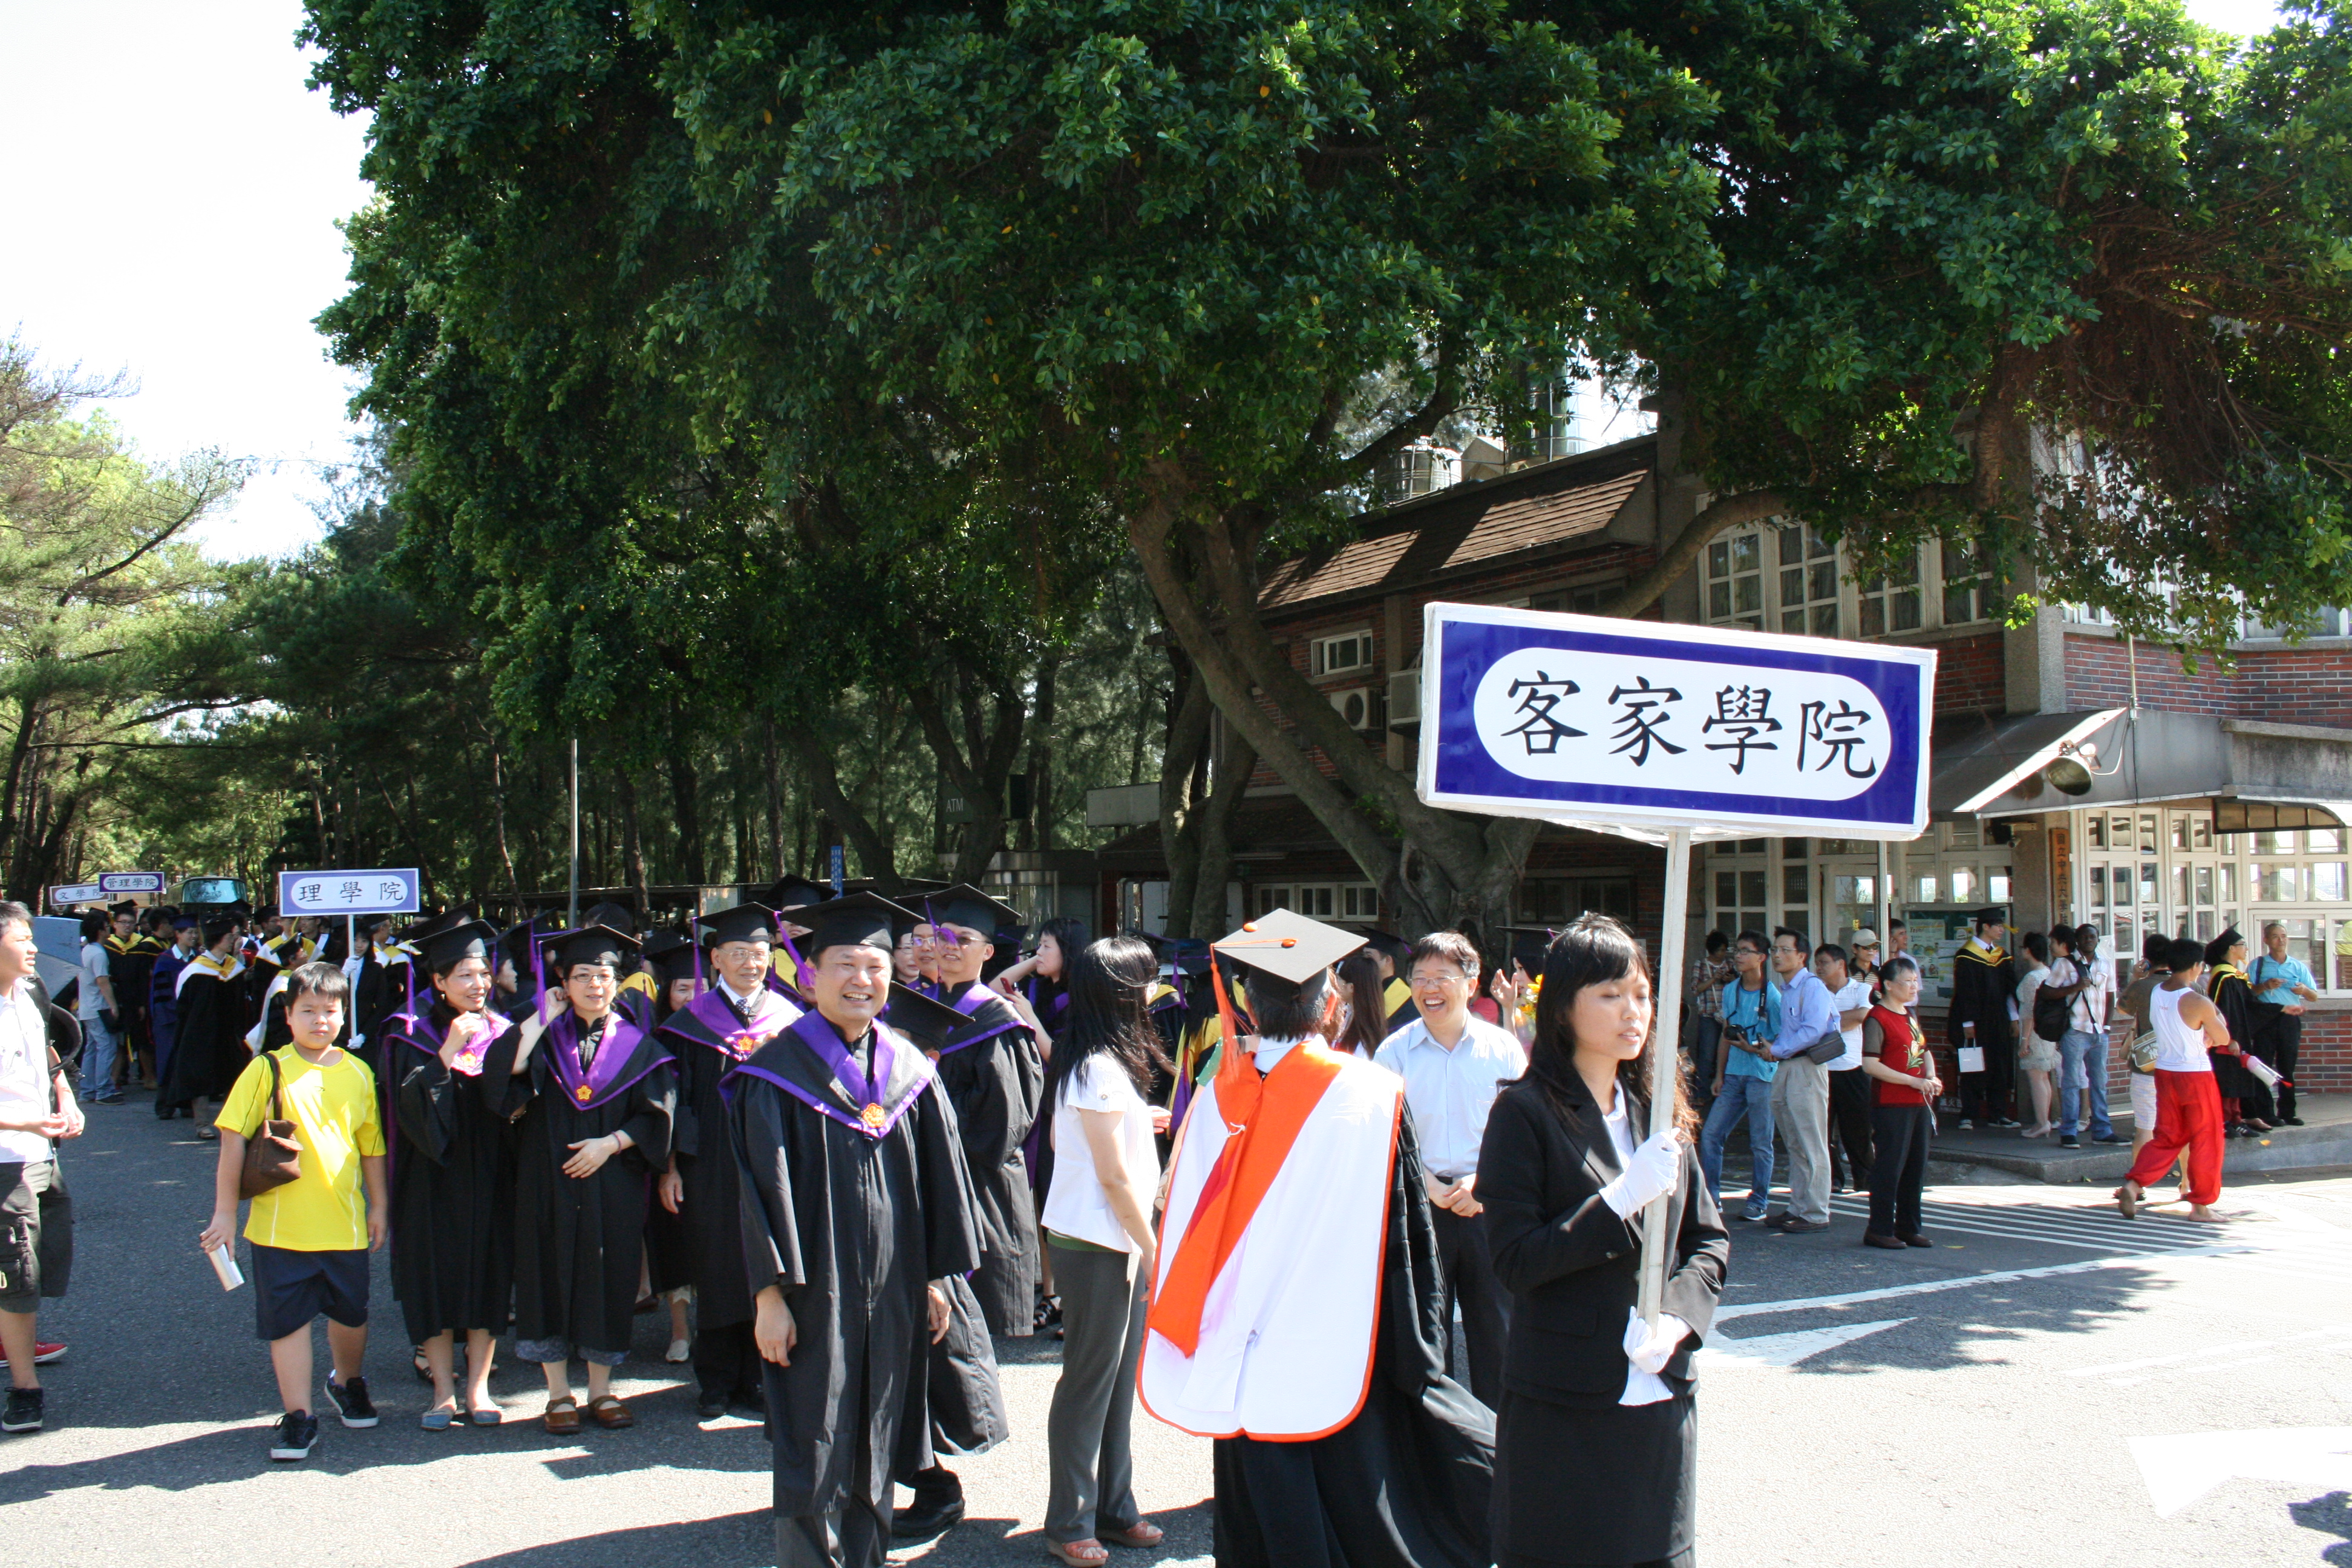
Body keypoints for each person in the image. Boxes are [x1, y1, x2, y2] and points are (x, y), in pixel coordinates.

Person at [1142, 908, 1494, 1568]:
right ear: (1331, 1001)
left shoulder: (1217, 1102)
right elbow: (1406, 1242)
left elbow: (1187, 1222)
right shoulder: (1371, 1093)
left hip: (1238, 1343)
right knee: (1349, 1502)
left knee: (1262, 1508)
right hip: (1343, 1339)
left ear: (1244, 1005)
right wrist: (1417, 1353)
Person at [725, 892, 982, 1568]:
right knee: (813, 1442)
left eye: (874, 964)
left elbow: (940, 1183)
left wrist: (935, 1278)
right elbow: (755, 1193)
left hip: (895, 1288)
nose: (861, 979)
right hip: (813, 1290)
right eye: (844, 964)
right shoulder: (776, 1074)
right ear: (810, 974)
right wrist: (768, 1297)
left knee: (877, 1440)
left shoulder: (910, 1071)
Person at [1480, 913, 1726, 1568]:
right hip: (1564, 1405)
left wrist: (1676, 1321)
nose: (1634, 1012)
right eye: (1611, 995)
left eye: (1641, 994)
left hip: (1659, 1398)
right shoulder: (1523, 1113)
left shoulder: (1658, 1110)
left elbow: (1708, 1242)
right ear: (1563, 1008)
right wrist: (1616, 1201)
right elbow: (1514, 1260)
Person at [487, 923, 678, 1434]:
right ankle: (557, 1394)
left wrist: (610, 1144)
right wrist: (540, 1018)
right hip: (544, 1179)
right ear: (563, 983)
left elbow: (658, 1112)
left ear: (619, 981)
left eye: (605, 975)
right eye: (583, 975)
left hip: (610, 1180)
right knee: (545, 1272)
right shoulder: (542, 1038)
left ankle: (601, 1389)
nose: (596, 984)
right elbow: (503, 1077)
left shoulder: (639, 1046)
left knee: (608, 1275)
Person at [893, 883, 1041, 1534]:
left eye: (962, 942)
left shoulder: (995, 1022)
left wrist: (933, 1159)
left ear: (987, 951)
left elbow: (1001, 1128)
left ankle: (936, 1477)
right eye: (939, 940)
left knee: (945, 1338)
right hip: (925, 1195)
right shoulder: (925, 1013)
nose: (946, 951)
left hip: (969, 1199)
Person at [200, 962, 387, 1462]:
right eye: (308, 1011)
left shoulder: (359, 1072)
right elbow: (232, 1138)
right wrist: (224, 1215)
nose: (319, 1021)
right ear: (287, 1015)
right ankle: (299, 1414)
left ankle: (347, 1381)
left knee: (351, 1315)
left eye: (330, 1011)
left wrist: (380, 1207)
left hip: (343, 1223)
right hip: (278, 1227)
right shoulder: (268, 1068)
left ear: (344, 1016)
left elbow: (371, 1147)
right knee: (287, 1322)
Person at [1039, 937, 1168, 1568]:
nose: (1153, 992)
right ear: (1121, 993)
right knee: (1090, 1385)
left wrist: (1145, 1120)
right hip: (1099, 1243)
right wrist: (1152, 1248)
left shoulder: (1099, 1062)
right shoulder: (1096, 1066)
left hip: (1115, 1237)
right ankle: (1070, 1521)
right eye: (1144, 982)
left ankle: (1114, 1508)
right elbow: (1113, 1178)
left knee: (1117, 1385)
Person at [655, 903, 800, 1422]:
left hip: (775, 1163)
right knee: (716, 1267)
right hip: (708, 1166)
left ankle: (762, 1378)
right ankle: (716, 1380)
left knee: (767, 1261)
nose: (750, 963)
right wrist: (670, 1166)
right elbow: (676, 1102)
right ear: (715, 959)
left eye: (760, 954)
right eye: (738, 954)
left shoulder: (790, 1022)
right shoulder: (688, 1026)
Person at [1374, 928, 1527, 1410]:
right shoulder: (1393, 1052)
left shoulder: (1503, 1050)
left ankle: (1502, 1453)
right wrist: (1426, 1187)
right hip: (1420, 1211)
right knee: (1426, 1338)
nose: (1429, 988)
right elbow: (1383, 1136)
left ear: (1472, 982)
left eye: (1443, 976)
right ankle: (1440, 1457)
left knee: (1498, 1336)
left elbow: (1523, 1135)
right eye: (1420, 977)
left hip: (1490, 1209)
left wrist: (1483, 1182)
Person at [381, 913, 517, 1429]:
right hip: (430, 1178)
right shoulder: (407, 1032)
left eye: (482, 973)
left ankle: (479, 1387)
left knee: (488, 1272)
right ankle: (442, 1390)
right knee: (432, 1278)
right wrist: (448, 1052)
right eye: (464, 975)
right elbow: (407, 1112)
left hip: (490, 1173)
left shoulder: (505, 1030)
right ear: (437, 982)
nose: (478, 984)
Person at [0, 902, 82, 1436]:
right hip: (6, 1158)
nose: (34, 948)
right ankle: (25, 1387)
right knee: (18, 1272)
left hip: (41, 1153)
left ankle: (16, 1341)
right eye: (23, 939)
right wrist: (27, 1123)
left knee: (45, 1254)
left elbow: (49, 1052)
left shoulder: (31, 991)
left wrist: (66, 1096)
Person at [2117, 937, 2247, 1222]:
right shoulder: (2196, 1000)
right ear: (2197, 966)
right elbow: (2224, 1037)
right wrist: (2211, 1029)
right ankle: (2200, 1206)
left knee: (2167, 1136)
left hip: (2165, 1073)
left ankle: (2134, 1184)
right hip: (2195, 1075)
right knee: (2206, 1140)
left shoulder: (2157, 993)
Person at [1762, 926, 1841, 1233]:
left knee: (1812, 1141)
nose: (1777, 955)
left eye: (1784, 950)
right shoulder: (1788, 989)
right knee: (1794, 1141)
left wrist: (1779, 1048)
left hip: (1808, 1068)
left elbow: (1814, 1030)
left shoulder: (1813, 987)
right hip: (1787, 1066)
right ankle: (1798, 1206)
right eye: (1774, 950)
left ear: (1801, 956)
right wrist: (1772, 1048)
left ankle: (1817, 1212)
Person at [1859, 955, 1940, 1249]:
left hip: (1918, 1103)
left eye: (1915, 981)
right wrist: (1913, 1081)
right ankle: (1879, 1228)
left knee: (1915, 1168)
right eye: (1907, 981)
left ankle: (1908, 1226)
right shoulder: (1877, 1017)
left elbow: (1924, 1050)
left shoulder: (1909, 1014)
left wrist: (1930, 1076)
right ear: (1889, 985)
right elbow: (1870, 1065)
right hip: (1891, 1104)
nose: (1913, 986)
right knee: (1889, 1167)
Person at [1697, 931, 1779, 1223]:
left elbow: (1780, 1043)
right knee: (1711, 1135)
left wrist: (1753, 1049)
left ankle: (1759, 1200)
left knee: (1760, 1142)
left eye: (1746, 951)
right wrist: (1719, 1074)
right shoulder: (1730, 990)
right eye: (1737, 951)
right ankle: (1712, 1198)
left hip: (1762, 1076)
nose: (1739, 956)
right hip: (1732, 1075)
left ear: (1762, 958)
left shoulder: (1773, 996)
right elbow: (1725, 1033)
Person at [158, 916, 250, 1135]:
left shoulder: (233, 968)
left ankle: (233, 1122)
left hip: (227, 1033)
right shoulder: (195, 971)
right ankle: (202, 1124)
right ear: (218, 939)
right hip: (200, 1033)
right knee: (201, 1075)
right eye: (230, 937)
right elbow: (182, 1004)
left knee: (233, 1074)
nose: (233, 941)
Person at [1950, 909, 2019, 1131]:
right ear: (1985, 927)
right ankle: (1968, 1113)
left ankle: (1997, 1113)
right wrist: (1967, 1024)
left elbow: (2010, 991)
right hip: (1976, 1020)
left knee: (1999, 1063)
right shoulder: (1966, 956)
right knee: (1972, 1065)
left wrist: (2014, 1018)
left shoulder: (2002, 956)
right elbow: (1965, 993)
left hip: (1998, 1018)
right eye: (1998, 926)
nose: (2002, 930)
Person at [1815, 942, 1875, 1195]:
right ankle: (1833, 1179)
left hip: (1853, 1069)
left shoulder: (1862, 988)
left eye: (1824, 963)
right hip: (1822, 1070)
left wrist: (1828, 1021)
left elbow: (1863, 1016)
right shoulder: (1816, 991)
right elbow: (1812, 1022)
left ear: (1840, 964)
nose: (1819, 968)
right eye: (1817, 964)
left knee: (1858, 1130)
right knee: (1822, 1130)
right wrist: (1839, 1020)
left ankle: (1865, 1179)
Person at [2203, 929, 2274, 1135]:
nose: (2246, 948)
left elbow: (2249, 1006)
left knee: (2237, 1077)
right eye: (2242, 944)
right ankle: (2224, 1121)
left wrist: (2280, 1009)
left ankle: (2236, 1119)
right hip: (2226, 1040)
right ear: (2232, 948)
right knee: (2226, 1078)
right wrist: (2230, 1038)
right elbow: (2220, 1010)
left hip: (2238, 1038)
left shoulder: (2235, 976)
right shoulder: (2222, 977)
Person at [2250, 921, 2318, 1127]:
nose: (2281, 940)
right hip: (2265, 1019)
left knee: (2287, 1067)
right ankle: (2266, 1113)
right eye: (2276, 936)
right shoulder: (2258, 965)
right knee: (2263, 1066)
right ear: (2266, 940)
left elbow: (2314, 996)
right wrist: (2265, 986)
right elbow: (2248, 993)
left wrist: (2303, 990)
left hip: (2289, 1019)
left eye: (2284, 936)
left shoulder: (2297, 966)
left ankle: (2288, 1112)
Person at [2059, 926, 2118, 1148]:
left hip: (2099, 1032)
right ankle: (2069, 1130)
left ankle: (2102, 1129)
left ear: (2098, 940)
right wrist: (2075, 987)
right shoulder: (2064, 964)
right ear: (2076, 940)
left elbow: (2111, 995)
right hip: (2074, 1030)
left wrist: (2108, 1026)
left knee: (2100, 1082)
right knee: (2072, 1082)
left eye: (2093, 937)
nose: (2089, 940)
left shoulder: (2105, 963)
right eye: (2084, 937)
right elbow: (2047, 992)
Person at [149, 916, 200, 1111]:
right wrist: (176, 1012)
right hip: (169, 1019)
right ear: (177, 935)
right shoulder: (165, 961)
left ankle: (187, 1104)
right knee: (168, 1059)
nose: (194, 936)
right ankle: (165, 1105)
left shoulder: (199, 960)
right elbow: (160, 995)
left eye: (196, 932)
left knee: (187, 1061)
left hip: (192, 1019)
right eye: (190, 932)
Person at [2011, 930, 2058, 1139]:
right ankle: (2044, 1120)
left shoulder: (2032, 978)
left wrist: (2024, 1041)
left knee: (2036, 1077)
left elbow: (2029, 1013)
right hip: (2048, 1033)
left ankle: (2042, 1122)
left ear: (2029, 951)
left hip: (2035, 1034)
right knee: (2044, 1077)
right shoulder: (2048, 973)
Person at [74, 913, 122, 1107]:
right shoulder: (99, 953)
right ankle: (103, 1090)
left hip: (87, 1008)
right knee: (107, 1047)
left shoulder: (84, 951)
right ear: (100, 931)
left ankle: (87, 1090)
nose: (110, 929)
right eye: (107, 926)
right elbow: (102, 981)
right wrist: (113, 1005)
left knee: (92, 1049)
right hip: (98, 1008)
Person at [1685, 930, 1731, 1111]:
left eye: (1725, 950)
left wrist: (1730, 979)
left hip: (1727, 1015)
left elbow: (1738, 984)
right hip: (1708, 1015)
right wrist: (1714, 979)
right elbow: (1696, 989)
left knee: (1728, 1054)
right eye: (1720, 950)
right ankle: (1702, 1093)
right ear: (1712, 950)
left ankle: (1726, 1092)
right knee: (1706, 1055)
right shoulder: (1701, 965)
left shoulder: (1730, 964)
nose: (1723, 954)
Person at [1328, 949, 1391, 1059]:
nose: (1334, 984)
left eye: (1338, 979)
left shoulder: (1364, 1041)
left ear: (1351, 987)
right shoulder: (1347, 1015)